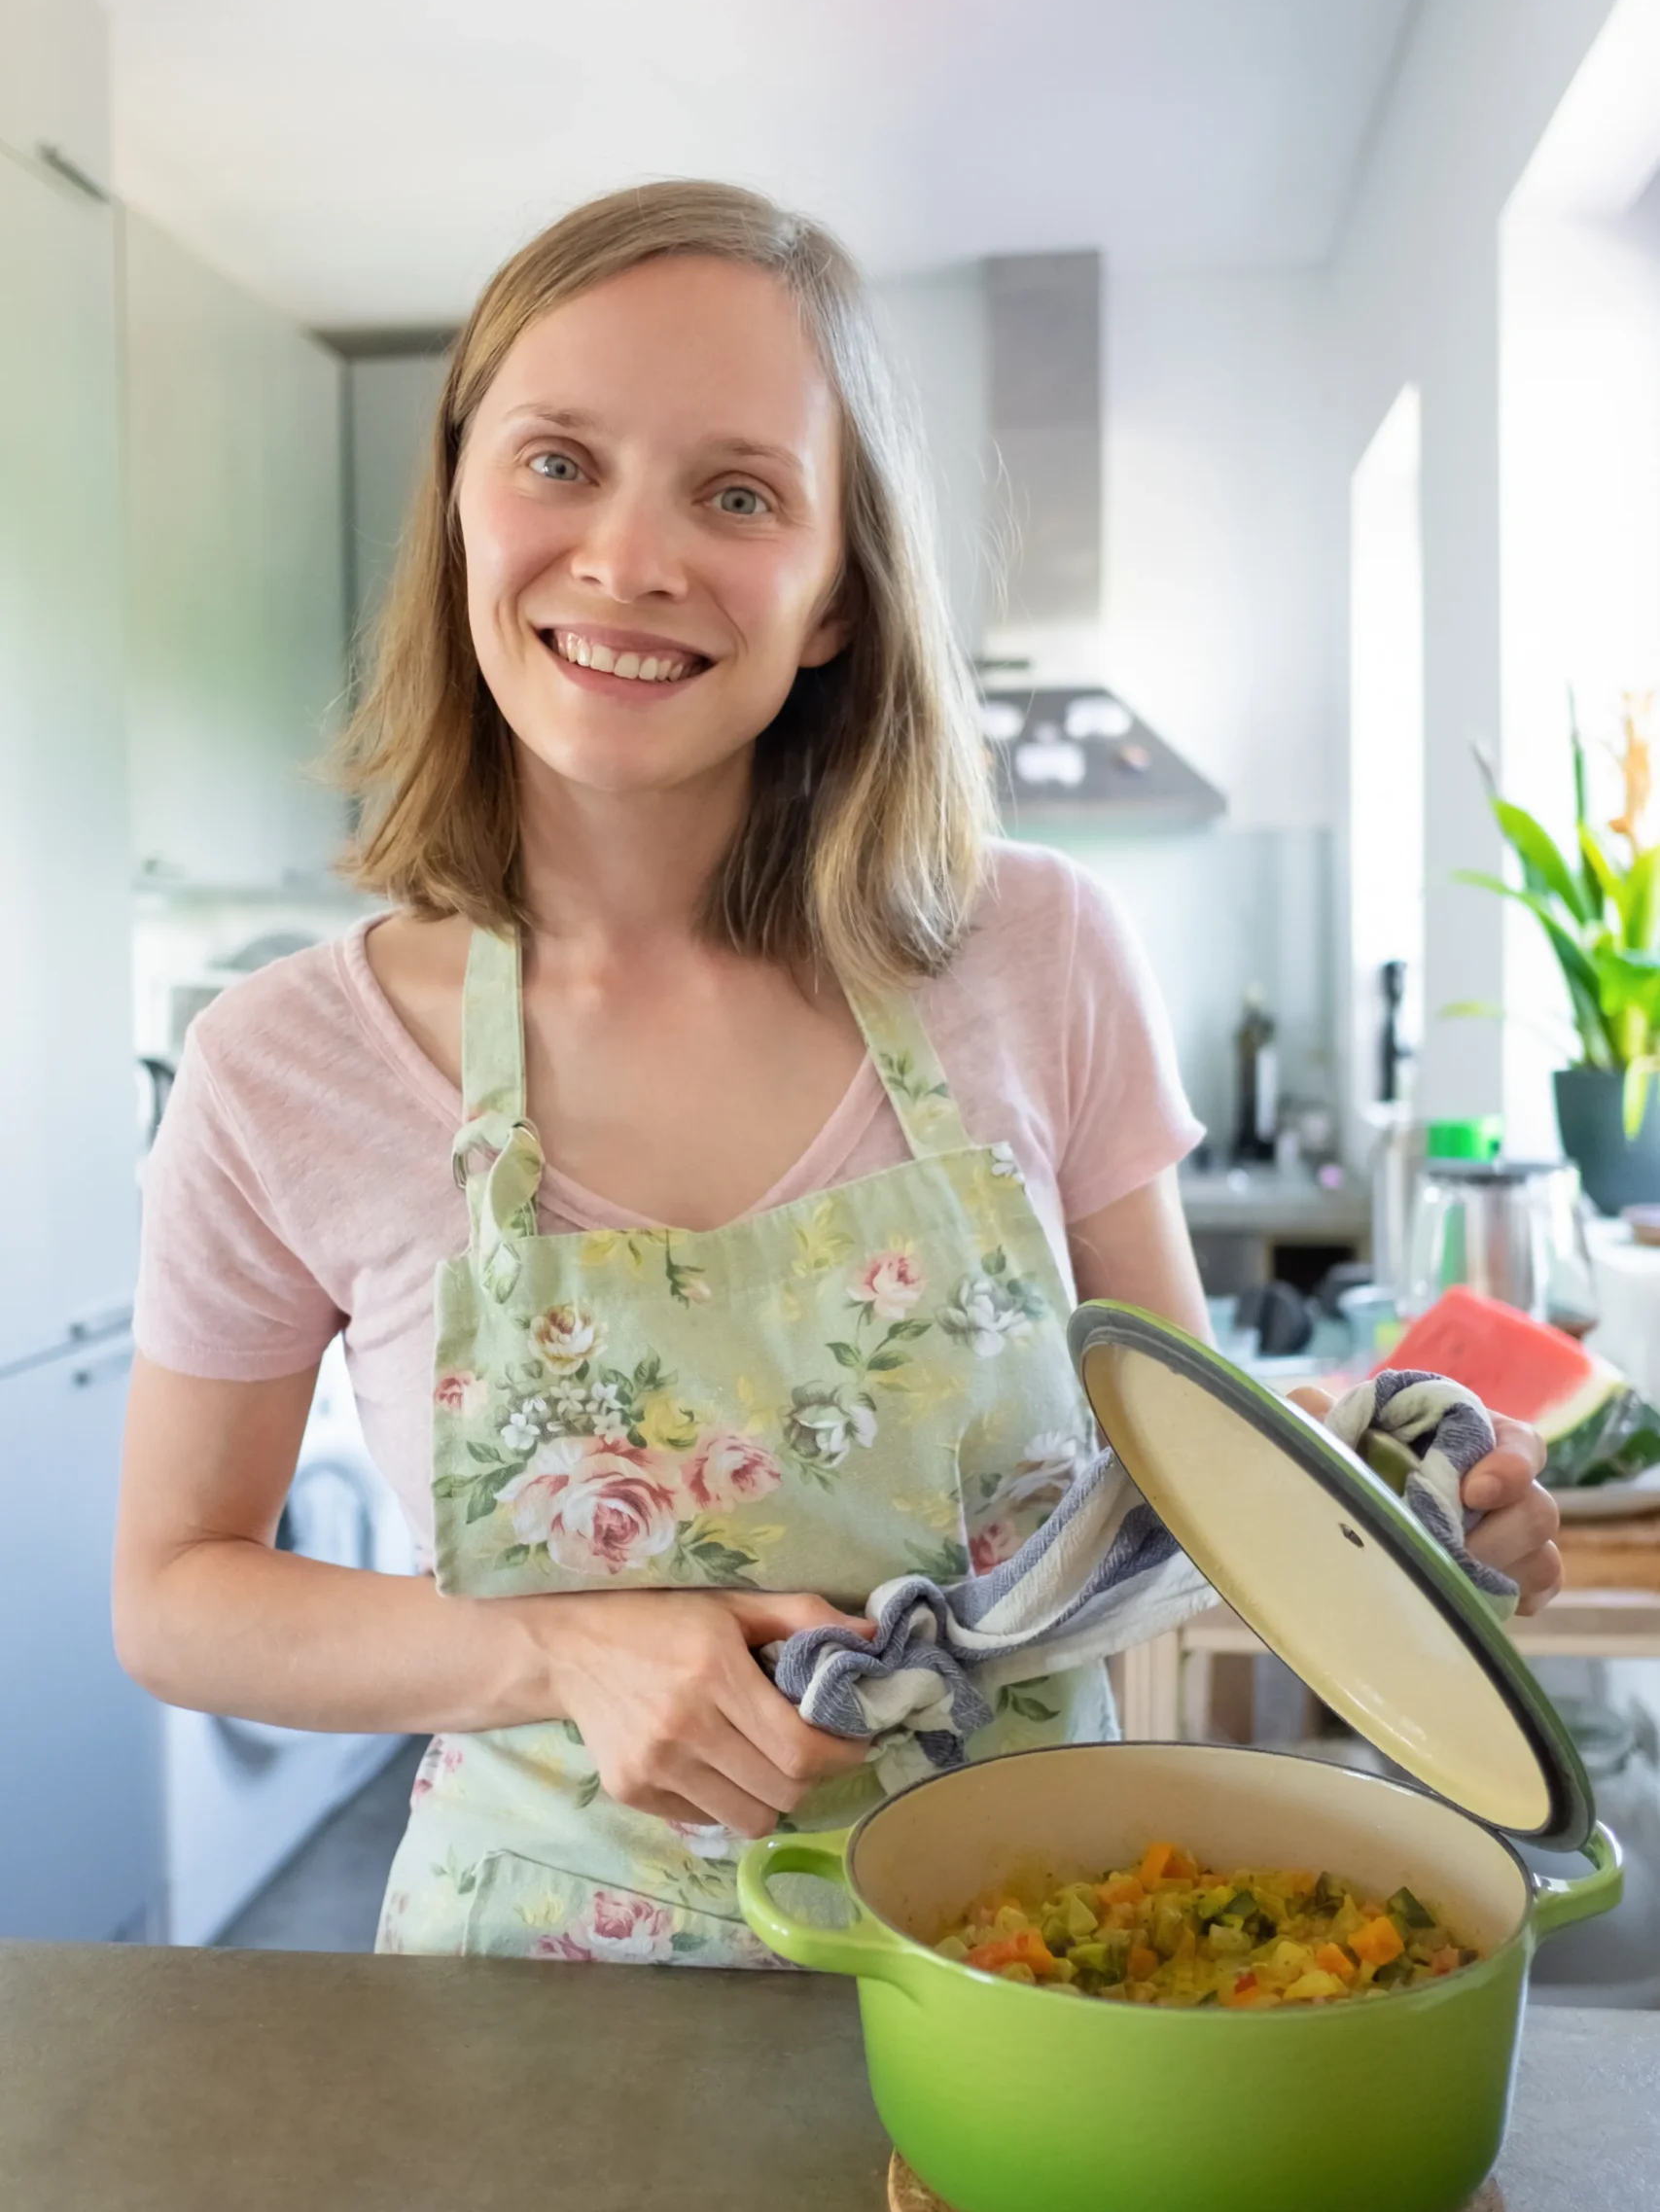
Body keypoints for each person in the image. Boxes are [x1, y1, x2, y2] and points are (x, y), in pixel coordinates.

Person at [115, 181, 1561, 1964]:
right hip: (530, 2018)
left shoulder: (1037, 955)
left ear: (830, 604)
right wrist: (547, 1642)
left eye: (738, 494)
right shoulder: (281, 1066)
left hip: (1048, 1951)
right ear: (458, 505)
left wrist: (1411, 1528)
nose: (631, 558)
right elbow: (176, 1594)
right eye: (558, 460)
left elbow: (1193, 1476)